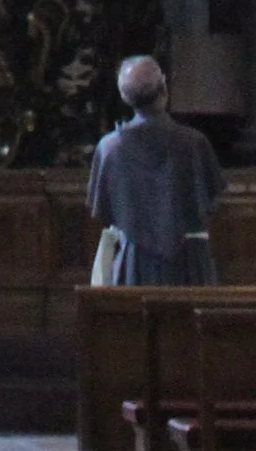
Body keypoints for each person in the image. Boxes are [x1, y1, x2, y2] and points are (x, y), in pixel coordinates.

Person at [85, 55, 222, 287]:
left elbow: (103, 210)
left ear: (124, 97)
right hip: (189, 266)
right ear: (164, 87)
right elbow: (210, 203)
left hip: (132, 265)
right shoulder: (194, 143)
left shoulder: (110, 148)